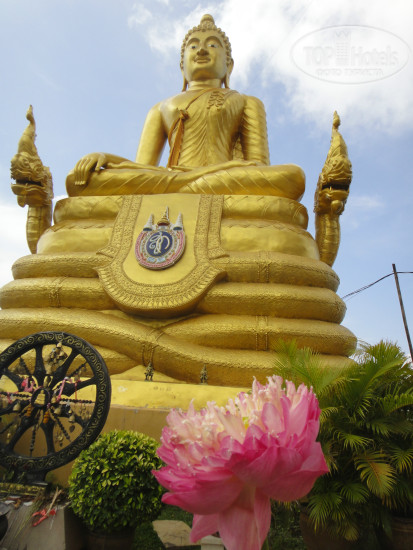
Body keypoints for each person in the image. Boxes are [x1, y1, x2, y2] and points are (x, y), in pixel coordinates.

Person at [66, 14, 304, 200]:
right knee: (78, 180)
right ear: (182, 67)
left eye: (213, 45)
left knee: (293, 177)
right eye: (193, 46)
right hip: (170, 179)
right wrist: (104, 158)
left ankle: (180, 188)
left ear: (229, 65)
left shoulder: (246, 101)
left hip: (221, 178)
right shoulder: (160, 108)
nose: (201, 50)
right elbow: (141, 169)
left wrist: (207, 175)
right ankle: (184, 186)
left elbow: (258, 167)